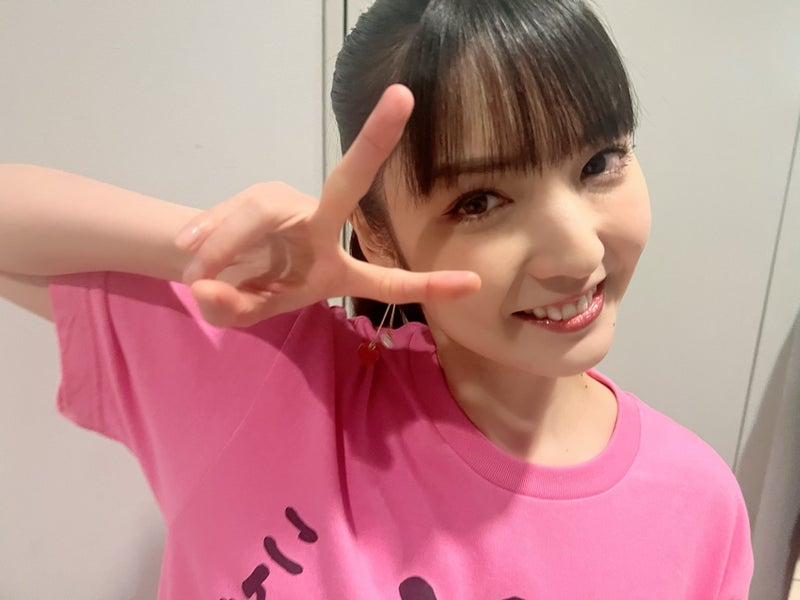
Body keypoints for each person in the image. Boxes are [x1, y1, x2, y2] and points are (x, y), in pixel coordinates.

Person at [0, 0, 753, 598]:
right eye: (480, 201)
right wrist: (199, 247)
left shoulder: (698, 507)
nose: (580, 254)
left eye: (600, 161)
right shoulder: (270, 378)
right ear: (380, 237)